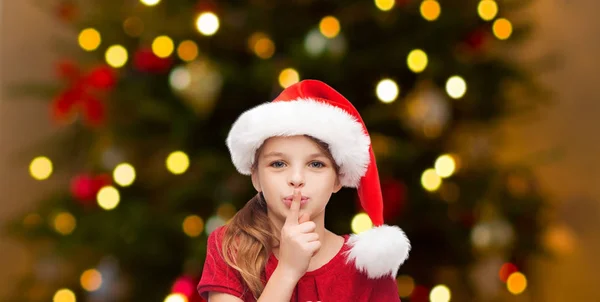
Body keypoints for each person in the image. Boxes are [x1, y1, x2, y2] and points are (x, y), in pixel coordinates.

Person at [197, 80, 411, 301]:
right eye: (278, 164)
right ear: (256, 177)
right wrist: (287, 271)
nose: (297, 179)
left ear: (338, 179)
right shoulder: (230, 248)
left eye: (316, 164)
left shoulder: (368, 267)